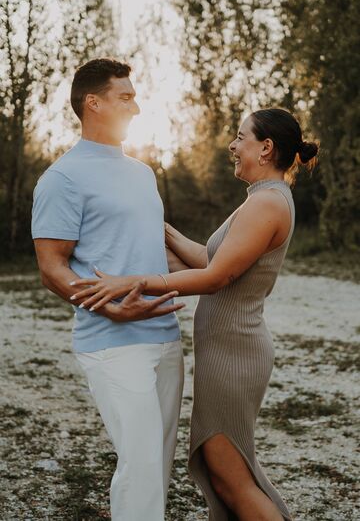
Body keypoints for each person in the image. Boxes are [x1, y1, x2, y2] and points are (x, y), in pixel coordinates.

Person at [70, 107, 318, 521]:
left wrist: (135, 282)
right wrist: (160, 227)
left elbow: (215, 277)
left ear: (266, 147)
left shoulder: (267, 204)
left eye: (241, 138)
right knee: (224, 471)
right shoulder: (262, 199)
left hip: (235, 354)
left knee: (230, 477)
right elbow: (208, 257)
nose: (233, 147)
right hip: (228, 350)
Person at [31, 58, 186, 521]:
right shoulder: (62, 178)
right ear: (93, 103)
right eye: (126, 97)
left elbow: (153, 252)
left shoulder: (143, 174)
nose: (136, 107)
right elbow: (51, 267)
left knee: (156, 466)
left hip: (167, 336)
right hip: (111, 343)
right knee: (139, 465)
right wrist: (109, 308)